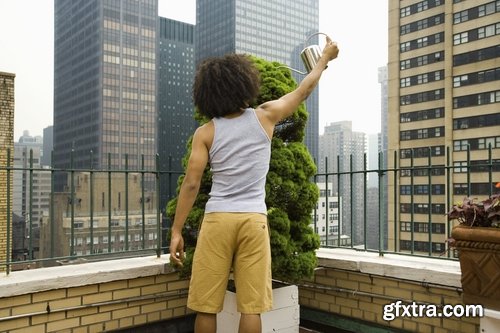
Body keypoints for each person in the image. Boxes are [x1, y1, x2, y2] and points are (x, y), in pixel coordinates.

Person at [169, 36, 339, 333]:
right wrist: (324, 59)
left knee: (206, 306)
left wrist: (176, 230)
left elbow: (191, 184)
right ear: (243, 84)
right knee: (252, 307)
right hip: (253, 220)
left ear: (207, 94)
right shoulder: (266, 116)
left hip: (217, 220)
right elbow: (304, 89)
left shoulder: (205, 132)